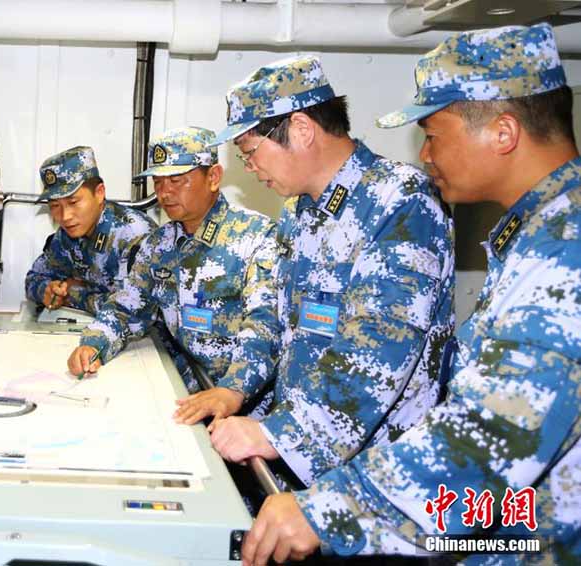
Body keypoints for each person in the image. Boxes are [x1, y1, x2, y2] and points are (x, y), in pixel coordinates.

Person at [241, 23, 581, 565]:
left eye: (434, 134)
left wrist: (332, 509)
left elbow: (497, 430)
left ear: (503, 133)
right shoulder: (538, 234)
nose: (424, 154)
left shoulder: (566, 247)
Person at [185, 55, 455, 491]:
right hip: (305, 463)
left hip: (377, 477)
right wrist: (236, 387)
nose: (250, 168)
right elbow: (273, 316)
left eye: (250, 153)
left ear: (301, 129)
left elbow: (377, 351)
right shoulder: (299, 211)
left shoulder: (400, 202)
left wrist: (280, 434)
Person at [67, 127, 279, 399]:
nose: (164, 193)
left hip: (248, 402)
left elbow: (265, 326)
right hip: (188, 387)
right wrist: (94, 343)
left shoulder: (257, 236)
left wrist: (232, 391)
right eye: (157, 182)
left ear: (213, 177)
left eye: (176, 180)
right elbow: (127, 308)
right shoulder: (159, 245)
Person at [25, 146, 155, 314]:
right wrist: (47, 290)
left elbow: (134, 309)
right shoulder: (67, 235)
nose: (65, 216)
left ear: (99, 193)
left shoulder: (134, 234)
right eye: (55, 205)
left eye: (73, 202)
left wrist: (73, 294)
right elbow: (33, 278)